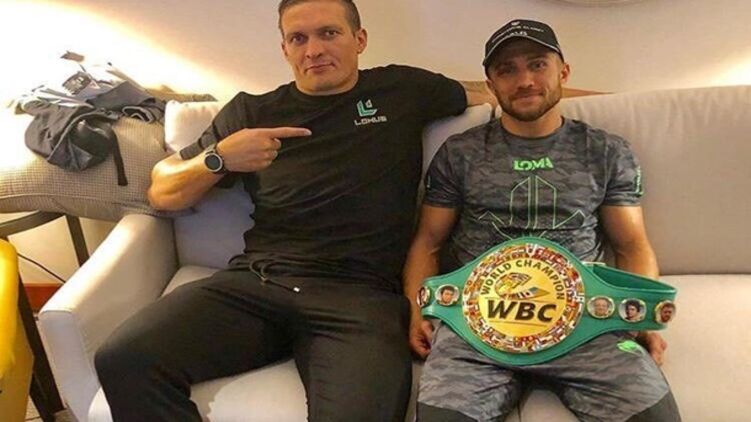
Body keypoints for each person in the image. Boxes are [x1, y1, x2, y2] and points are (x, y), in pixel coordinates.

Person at [92, 1, 497, 421]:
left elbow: (495, 91)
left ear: (359, 39)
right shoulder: (252, 113)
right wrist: (220, 158)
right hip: (258, 283)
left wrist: (538, 92)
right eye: (298, 38)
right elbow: (162, 192)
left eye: (329, 33)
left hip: (359, 298)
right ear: (285, 49)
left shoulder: (402, 89)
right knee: (123, 358)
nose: (313, 50)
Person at [403, 19, 681, 422]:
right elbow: (428, 242)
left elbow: (631, 245)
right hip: (473, 323)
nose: (525, 81)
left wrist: (641, 316)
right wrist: (419, 310)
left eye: (537, 64)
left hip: (586, 320)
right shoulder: (460, 153)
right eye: (507, 70)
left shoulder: (606, 151)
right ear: (491, 84)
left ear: (563, 72)